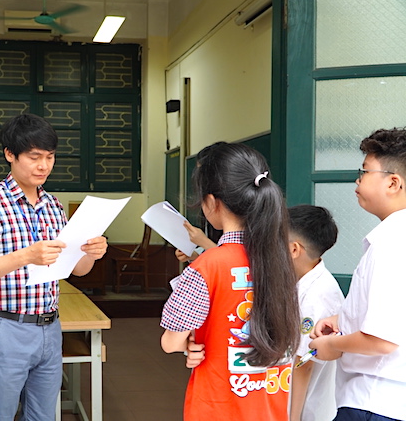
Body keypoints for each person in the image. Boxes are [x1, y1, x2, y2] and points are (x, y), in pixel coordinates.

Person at [0, 113, 108, 421]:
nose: (43, 166)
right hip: (5, 327)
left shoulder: (53, 205)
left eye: (50, 157)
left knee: (43, 416)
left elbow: (76, 269)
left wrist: (92, 253)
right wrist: (25, 256)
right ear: (10, 155)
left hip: (50, 328)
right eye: (35, 157)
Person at [160, 142, 300, 421]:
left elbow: (170, 342)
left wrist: (189, 342)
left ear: (212, 203)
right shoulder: (282, 259)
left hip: (219, 407)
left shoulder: (208, 265)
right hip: (270, 406)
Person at [309, 128, 406, 420]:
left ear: (393, 182)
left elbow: (382, 339)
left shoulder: (390, 244)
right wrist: (344, 319)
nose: (357, 179)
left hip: (375, 400)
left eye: (365, 172)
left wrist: (331, 346)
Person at [287, 205, 344, 421]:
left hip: (311, 410)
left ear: (294, 249)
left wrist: (290, 418)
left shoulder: (317, 296)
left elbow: (304, 364)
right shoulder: (305, 280)